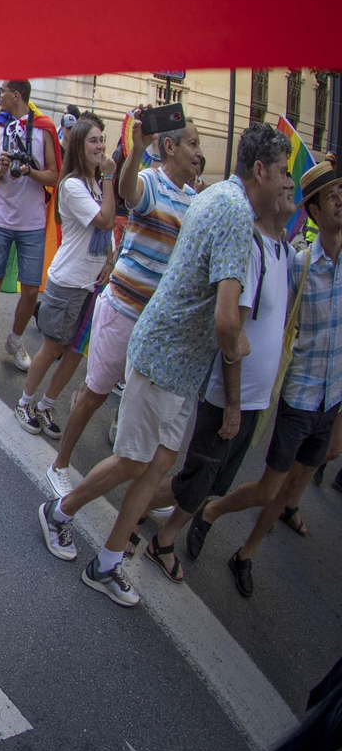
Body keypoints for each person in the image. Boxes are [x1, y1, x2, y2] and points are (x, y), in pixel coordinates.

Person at [36, 123, 288, 606]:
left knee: (156, 466)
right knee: (134, 459)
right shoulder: (233, 212)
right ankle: (58, 511)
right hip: (166, 353)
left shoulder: (212, 199)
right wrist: (239, 355)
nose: (285, 184)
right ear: (259, 170)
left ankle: (107, 563)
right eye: (281, 174)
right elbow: (226, 319)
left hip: (181, 363)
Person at [186, 157, 341, 596]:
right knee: (252, 487)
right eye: (331, 196)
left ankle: (245, 554)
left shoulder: (303, 256)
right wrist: (237, 390)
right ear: (313, 210)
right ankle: (201, 513)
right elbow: (246, 319)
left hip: (331, 397)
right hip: (297, 394)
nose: (341, 201)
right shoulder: (299, 265)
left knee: (294, 483)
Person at [137, 169, 294, 585]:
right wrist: (233, 404)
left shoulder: (284, 249)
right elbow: (232, 327)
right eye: (284, 178)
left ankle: (140, 514)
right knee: (193, 474)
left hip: (254, 397)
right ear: (263, 178)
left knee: (208, 479)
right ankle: (155, 536)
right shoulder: (250, 242)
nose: (289, 186)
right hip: (228, 393)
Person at [45, 114, 202, 496]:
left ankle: (122, 444)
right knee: (96, 391)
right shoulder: (150, 180)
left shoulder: (196, 200)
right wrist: (137, 150)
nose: (200, 153)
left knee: (134, 394)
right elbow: (130, 194)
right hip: (123, 310)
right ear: (170, 147)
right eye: (193, 144)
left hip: (157, 323)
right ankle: (60, 463)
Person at [13, 118, 115, 436]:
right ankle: (24, 402)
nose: (100, 146)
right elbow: (105, 219)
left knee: (74, 353)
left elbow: (106, 233)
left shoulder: (96, 184)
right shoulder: (72, 185)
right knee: (53, 347)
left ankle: (45, 405)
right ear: (78, 147)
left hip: (92, 285)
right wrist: (111, 176)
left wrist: (110, 261)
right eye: (93, 141)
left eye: (102, 140)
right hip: (68, 282)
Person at [0, 80, 59, 372]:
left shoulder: (43, 127)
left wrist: (30, 171)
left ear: (15, 95)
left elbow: (54, 176)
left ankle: (15, 341)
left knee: (31, 290)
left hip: (31, 222)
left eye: (2, 92)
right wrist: (3, 167)